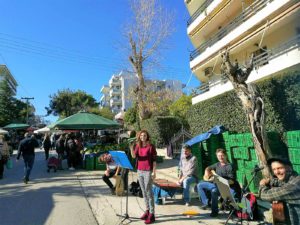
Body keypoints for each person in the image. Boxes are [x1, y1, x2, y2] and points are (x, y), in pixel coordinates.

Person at [197, 148, 240, 217]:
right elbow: (208, 168)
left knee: (214, 191)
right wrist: (206, 173)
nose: (220, 157)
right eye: (219, 156)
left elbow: (232, 181)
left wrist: (219, 180)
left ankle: (215, 212)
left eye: (222, 155)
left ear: (226, 155)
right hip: (216, 184)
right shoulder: (217, 164)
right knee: (200, 185)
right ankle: (207, 203)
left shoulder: (230, 166)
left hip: (226, 187)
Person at [259, 156, 300, 225]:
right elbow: (278, 181)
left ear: (289, 168)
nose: (277, 172)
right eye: (274, 169)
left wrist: (262, 185)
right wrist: (269, 181)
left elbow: (265, 195)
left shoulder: (295, 184)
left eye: (280, 168)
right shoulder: (288, 179)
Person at [130, 130, 157, 224]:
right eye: (141, 135)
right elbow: (134, 156)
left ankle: (152, 214)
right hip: (139, 170)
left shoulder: (151, 146)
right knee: (143, 192)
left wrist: (154, 172)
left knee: (149, 192)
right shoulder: (138, 145)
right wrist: (131, 147)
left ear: (147, 136)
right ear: (139, 137)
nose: (142, 137)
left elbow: (154, 160)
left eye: (144, 135)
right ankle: (147, 211)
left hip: (148, 171)